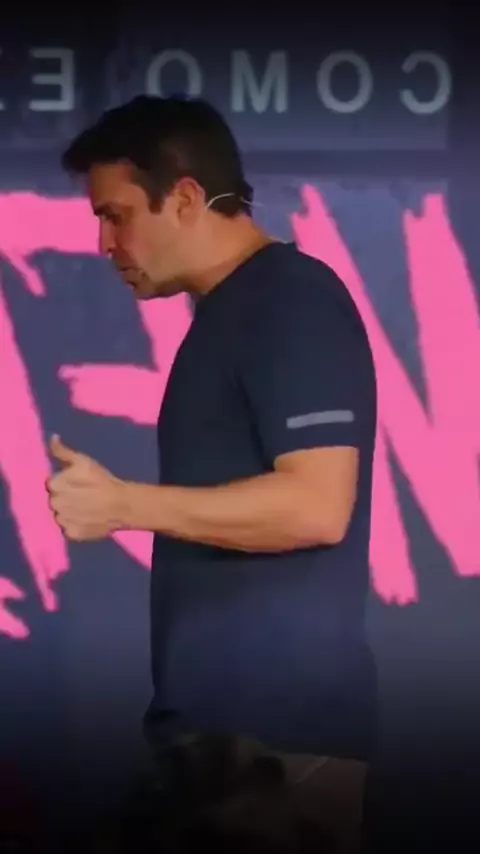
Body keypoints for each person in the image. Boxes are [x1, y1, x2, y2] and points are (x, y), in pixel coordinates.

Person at [47, 95, 378, 851]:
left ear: (187, 198)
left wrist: (125, 504)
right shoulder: (231, 313)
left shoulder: (289, 299)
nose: (103, 242)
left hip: (274, 750)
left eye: (117, 215)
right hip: (223, 747)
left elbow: (317, 506)